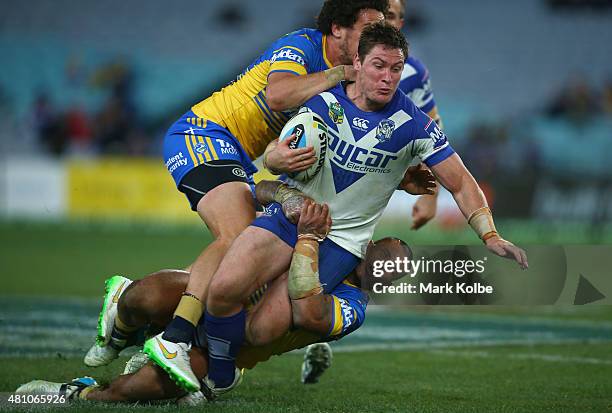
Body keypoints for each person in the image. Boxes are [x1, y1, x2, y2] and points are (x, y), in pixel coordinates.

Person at [195, 22, 528, 398]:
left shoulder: (413, 123)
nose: (388, 78)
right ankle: (218, 377)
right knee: (223, 290)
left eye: (396, 69)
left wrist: (490, 235)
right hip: (289, 216)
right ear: (357, 62)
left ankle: (207, 364)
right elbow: (274, 154)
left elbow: (462, 182)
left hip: (339, 242)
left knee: (262, 331)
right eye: (378, 66)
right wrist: (278, 157)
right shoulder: (323, 101)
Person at [137, 1, 389, 390]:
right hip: (204, 133)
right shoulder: (303, 46)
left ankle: (140, 324)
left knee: (250, 257)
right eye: (369, 27)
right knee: (238, 240)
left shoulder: (347, 88)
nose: (375, 37)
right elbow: (278, 95)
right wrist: (342, 72)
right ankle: (175, 338)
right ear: (338, 28)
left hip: (239, 155)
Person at [16, 204, 412, 405]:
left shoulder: (354, 307)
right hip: (207, 300)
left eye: (396, 273)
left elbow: (309, 313)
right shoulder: (327, 230)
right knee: (141, 297)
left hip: (229, 351)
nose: (388, 270)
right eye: (388, 259)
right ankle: (123, 334)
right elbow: (262, 201)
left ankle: (77, 393)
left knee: (135, 389)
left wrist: (305, 241)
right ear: (369, 247)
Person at [300, 0, 449, 384]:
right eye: (384, 17)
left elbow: (432, 130)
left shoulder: (412, 73)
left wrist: (427, 196)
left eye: (396, 18)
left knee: (350, 257)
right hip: (313, 177)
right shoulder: (337, 66)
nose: (390, 22)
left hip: (366, 187)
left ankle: (312, 324)